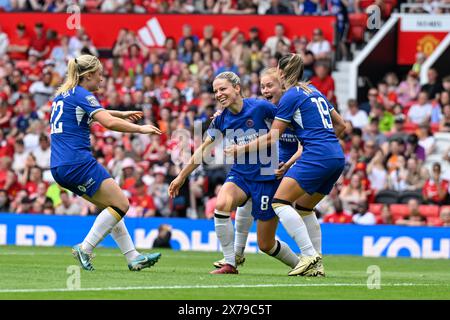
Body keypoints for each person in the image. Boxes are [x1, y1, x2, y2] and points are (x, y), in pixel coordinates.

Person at [169, 71, 301, 275]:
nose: (218, 94)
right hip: (240, 174)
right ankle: (230, 263)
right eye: (215, 91)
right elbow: (203, 150)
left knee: (265, 244)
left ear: (237, 88)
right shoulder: (221, 119)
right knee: (221, 204)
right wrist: (181, 176)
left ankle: (301, 264)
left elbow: (289, 122)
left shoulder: (260, 107)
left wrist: (292, 156)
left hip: (267, 177)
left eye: (223, 89)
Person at [226, 53, 347, 276]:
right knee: (304, 208)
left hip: (317, 156)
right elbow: (342, 126)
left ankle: (309, 255)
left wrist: (239, 149)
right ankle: (317, 265)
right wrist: (322, 144)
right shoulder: (314, 91)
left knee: (280, 201)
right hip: (336, 157)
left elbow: (272, 136)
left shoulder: (290, 96)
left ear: (281, 74)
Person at [50, 54, 162, 271]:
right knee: (121, 204)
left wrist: (121, 113)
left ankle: (133, 257)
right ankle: (86, 247)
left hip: (59, 167)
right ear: (89, 75)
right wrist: (141, 129)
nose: (102, 80)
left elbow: (89, 114)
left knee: (111, 208)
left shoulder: (63, 96)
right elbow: (108, 122)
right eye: (100, 75)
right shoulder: (82, 94)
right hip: (77, 162)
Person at [213, 68, 323, 276]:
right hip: (269, 167)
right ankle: (235, 256)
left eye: (269, 86)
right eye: (262, 86)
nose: (264, 91)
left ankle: (312, 256)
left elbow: (304, 139)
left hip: (292, 166)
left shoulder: (289, 110)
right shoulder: (266, 108)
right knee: (244, 203)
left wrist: (290, 162)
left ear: (282, 86)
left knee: (298, 208)